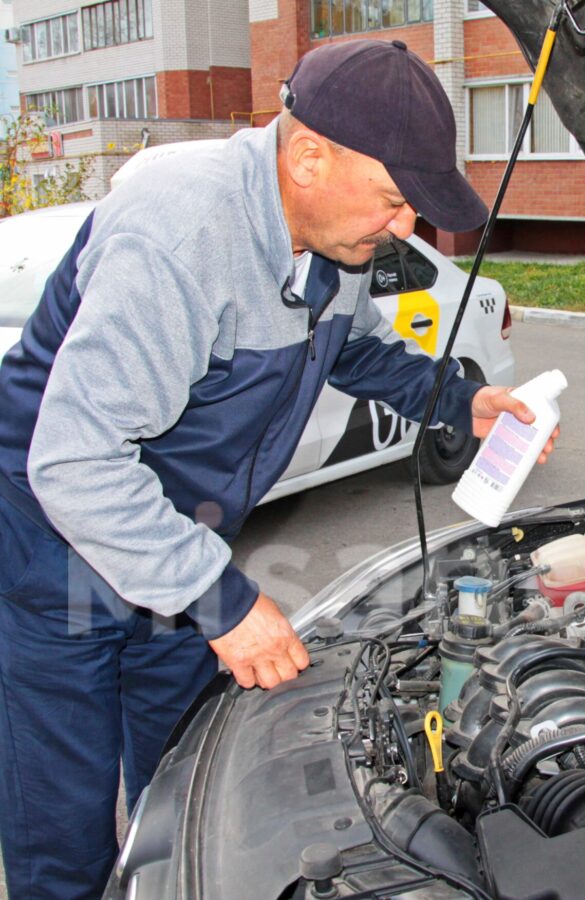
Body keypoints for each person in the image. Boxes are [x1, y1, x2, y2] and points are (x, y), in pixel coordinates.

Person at [0, 39, 556, 899]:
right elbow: (73, 461)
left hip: (179, 537)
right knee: (63, 821)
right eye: (393, 200)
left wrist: (457, 400)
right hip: (54, 541)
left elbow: (356, 352)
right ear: (307, 156)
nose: (406, 227)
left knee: (180, 783)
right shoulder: (184, 236)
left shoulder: (329, 243)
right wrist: (222, 601)